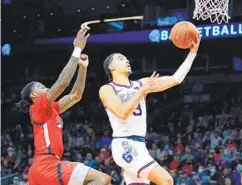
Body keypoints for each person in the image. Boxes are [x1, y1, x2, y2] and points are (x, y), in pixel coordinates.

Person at [99, 33, 201, 185]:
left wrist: (192, 54)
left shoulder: (141, 84)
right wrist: (141, 92)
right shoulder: (107, 89)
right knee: (166, 180)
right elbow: (122, 113)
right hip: (125, 144)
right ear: (111, 67)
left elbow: (175, 79)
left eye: (126, 59)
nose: (126, 60)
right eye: (121, 59)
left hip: (140, 144)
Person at [16, 28, 111, 185]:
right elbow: (62, 83)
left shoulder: (50, 109)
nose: (45, 87)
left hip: (44, 168)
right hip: (47, 165)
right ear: (33, 96)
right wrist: (77, 49)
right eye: (40, 86)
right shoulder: (38, 107)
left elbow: (75, 96)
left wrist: (83, 68)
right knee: (103, 179)